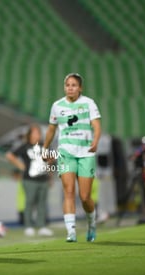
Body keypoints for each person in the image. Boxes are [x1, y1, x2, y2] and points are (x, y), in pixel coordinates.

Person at [43, 73, 101, 242]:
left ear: (80, 88)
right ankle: (71, 231)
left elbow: (97, 126)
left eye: (74, 85)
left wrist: (96, 141)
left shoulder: (88, 103)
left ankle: (91, 223)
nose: (70, 87)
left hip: (86, 152)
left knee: (84, 196)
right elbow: (51, 129)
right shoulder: (57, 106)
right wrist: (45, 148)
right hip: (66, 153)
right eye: (68, 85)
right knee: (68, 192)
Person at [6, 124, 54, 237]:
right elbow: (9, 155)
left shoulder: (45, 146)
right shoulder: (25, 146)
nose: (37, 135)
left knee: (42, 203)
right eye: (35, 133)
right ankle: (28, 226)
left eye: (38, 133)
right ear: (30, 135)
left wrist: (50, 175)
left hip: (43, 178)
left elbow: (50, 160)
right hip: (29, 179)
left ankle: (41, 226)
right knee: (30, 202)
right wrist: (21, 166)